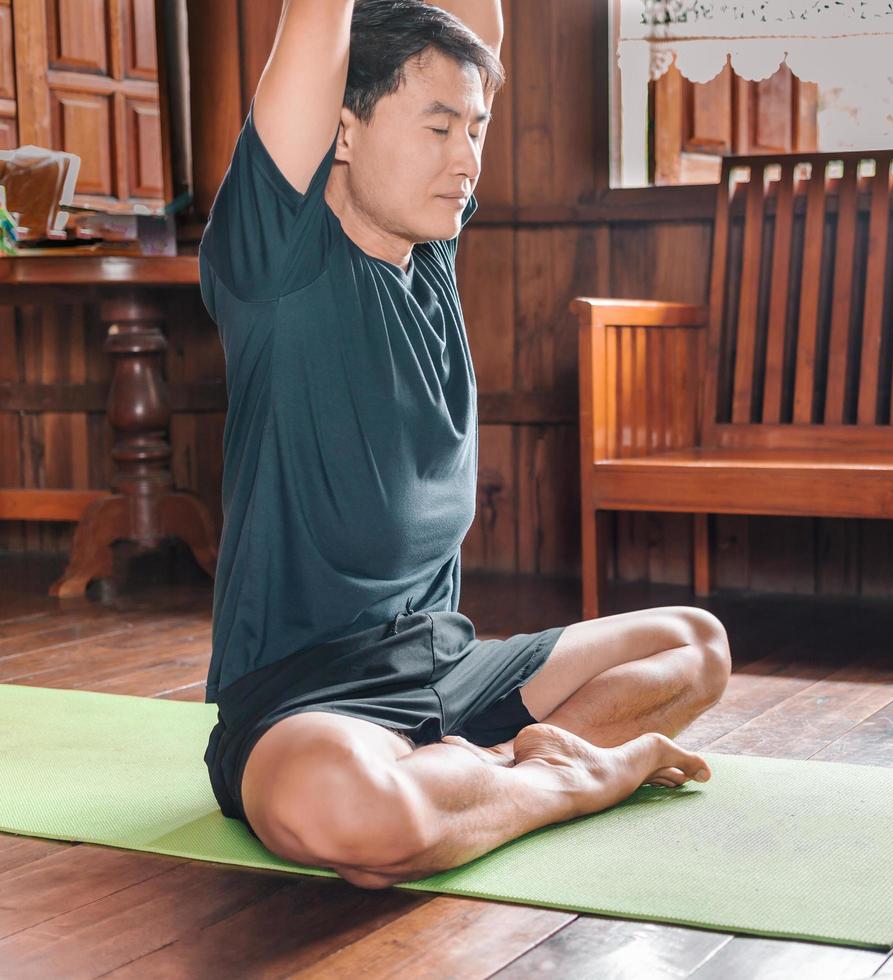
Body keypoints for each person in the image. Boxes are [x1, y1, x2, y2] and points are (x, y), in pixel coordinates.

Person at [199, 0, 730, 890]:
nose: (467, 158)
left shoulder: (429, 254)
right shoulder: (279, 265)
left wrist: (460, 91)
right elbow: (317, 18)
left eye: (476, 128)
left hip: (449, 667)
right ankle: (566, 777)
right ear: (340, 132)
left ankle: (471, 777)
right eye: (439, 126)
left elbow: (478, 20)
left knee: (695, 644)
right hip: (311, 700)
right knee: (354, 813)